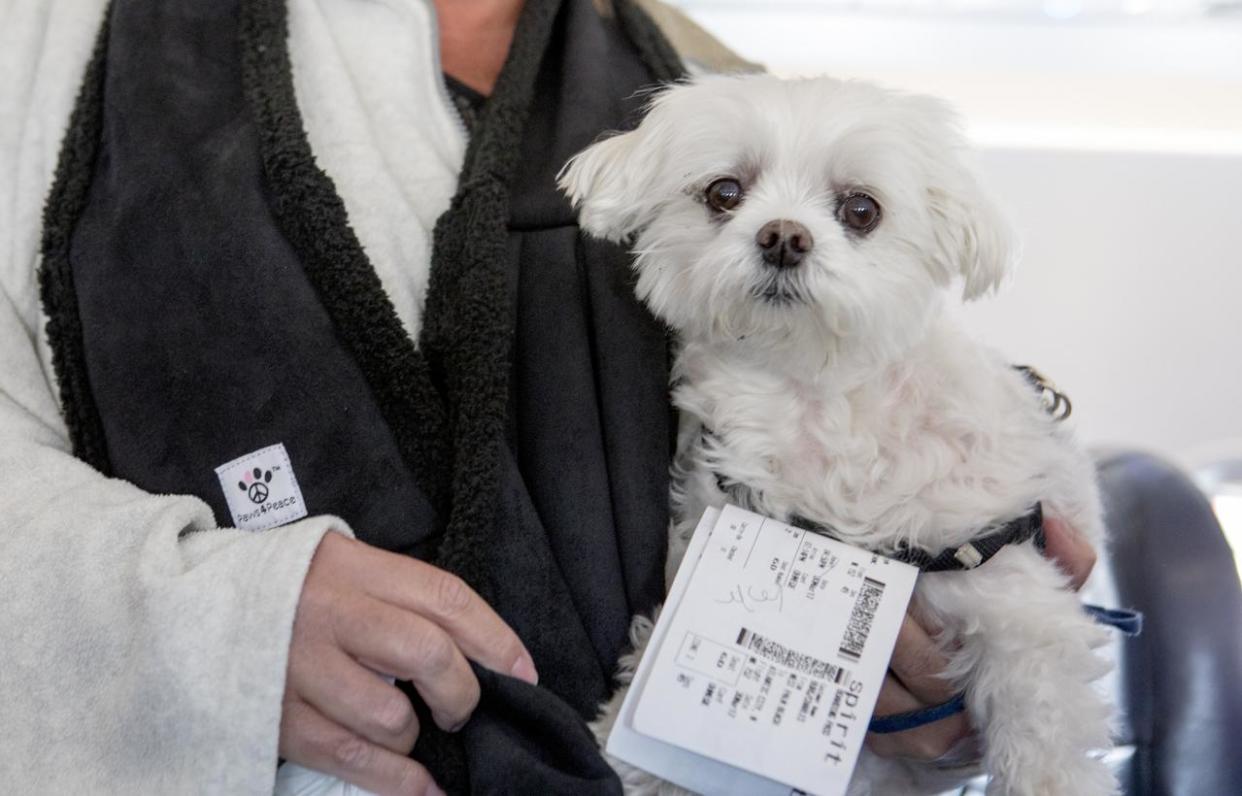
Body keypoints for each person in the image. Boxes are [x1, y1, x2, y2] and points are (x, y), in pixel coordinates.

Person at [0, 0, 1096, 793]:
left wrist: (922, 684)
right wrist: (204, 626)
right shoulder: (47, 51)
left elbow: (859, 382)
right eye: (728, 198)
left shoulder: (705, 67)